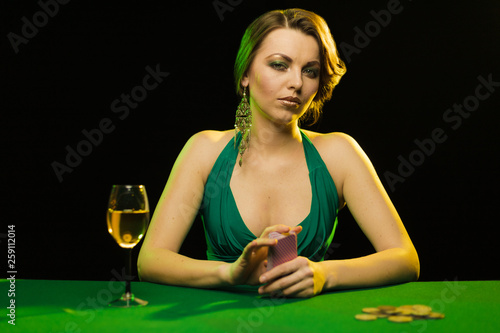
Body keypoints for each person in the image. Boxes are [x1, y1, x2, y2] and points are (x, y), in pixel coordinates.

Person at [138, 8, 419, 298]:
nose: (296, 82)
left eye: (310, 70)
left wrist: (325, 274)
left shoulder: (339, 154)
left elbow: (405, 258)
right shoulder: (205, 151)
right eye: (279, 65)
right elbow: (151, 260)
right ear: (246, 73)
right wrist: (228, 273)